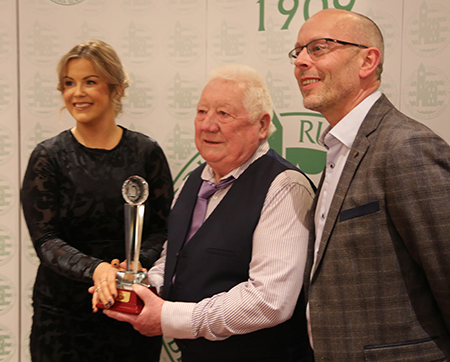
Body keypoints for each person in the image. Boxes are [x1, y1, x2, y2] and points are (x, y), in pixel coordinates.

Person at [101, 64, 316, 362]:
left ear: (262, 125)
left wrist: (170, 317)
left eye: (223, 114)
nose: (207, 125)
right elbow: (172, 260)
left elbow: (269, 301)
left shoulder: (284, 187)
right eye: (202, 112)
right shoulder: (193, 180)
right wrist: (141, 285)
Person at [289, 8, 450, 360]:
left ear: (367, 61)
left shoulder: (406, 147)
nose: (301, 61)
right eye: (297, 51)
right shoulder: (338, 147)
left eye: (318, 48)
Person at [21, 39, 174, 362]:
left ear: (116, 88)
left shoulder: (147, 153)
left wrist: (134, 263)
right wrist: (98, 270)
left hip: (131, 311)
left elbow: (163, 230)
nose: (77, 93)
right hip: (63, 319)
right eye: (69, 83)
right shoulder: (48, 157)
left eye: (90, 82)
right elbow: (46, 240)